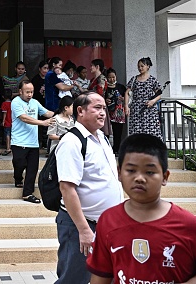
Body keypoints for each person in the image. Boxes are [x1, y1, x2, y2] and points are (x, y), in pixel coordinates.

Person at [87, 134, 196, 284]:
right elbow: (101, 273)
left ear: (165, 177)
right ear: (119, 173)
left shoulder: (189, 225)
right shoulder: (108, 220)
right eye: (131, 170)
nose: (139, 178)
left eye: (149, 172)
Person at [54, 91, 123, 284]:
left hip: (107, 224)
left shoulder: (102, 137)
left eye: (104, 109)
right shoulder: (72, 141)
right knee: (74, 279)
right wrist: (84, 230)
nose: (103, 113)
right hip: (82, 226)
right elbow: (67, 189)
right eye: (97, 108)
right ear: (80, 111)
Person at [10, 80, 54, 203]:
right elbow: (24, 118)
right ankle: (18, 178)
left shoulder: (35, 102)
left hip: (33, 142)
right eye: (27, 92)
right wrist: (42, 123)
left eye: (32, 92)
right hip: (19, 141)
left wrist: (60, 115)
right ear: (20, 91)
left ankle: (28, 193)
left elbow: (46, 112)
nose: (30, 94)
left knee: (32, 168)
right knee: (19, 164)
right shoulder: (16, 102)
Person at [124, 57, 162, 139]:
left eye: (142, 66)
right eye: (138, 66)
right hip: (136, 109)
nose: (140, 68)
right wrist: (126, 106)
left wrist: (153, 101)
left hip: (149, 109)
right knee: (136, 131)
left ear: (148, 66)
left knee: (151, 131)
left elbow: (159, 94)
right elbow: (127, 93)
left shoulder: (153, 80)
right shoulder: (134, 79)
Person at [105, 68, 126, 153]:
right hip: (107, 111)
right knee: (106, 131)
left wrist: (123, 98)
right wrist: (105, 100)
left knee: (118, 132)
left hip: (118, 113)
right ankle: (106, 149)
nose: (112, 79)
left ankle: (116, 149)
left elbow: (128, 98)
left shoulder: (121, 87)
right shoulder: (105, 88)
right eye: (109, 77)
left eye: (113, 77)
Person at [0, 89, 13, 156]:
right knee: (12, 135)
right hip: (13, 122)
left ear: (3, 96)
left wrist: (3, 121)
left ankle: (8, 148)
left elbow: (4, 113)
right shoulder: (13, 103)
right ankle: (12, 147)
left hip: (7, 122)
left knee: (7, 135)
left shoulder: (4, 104)